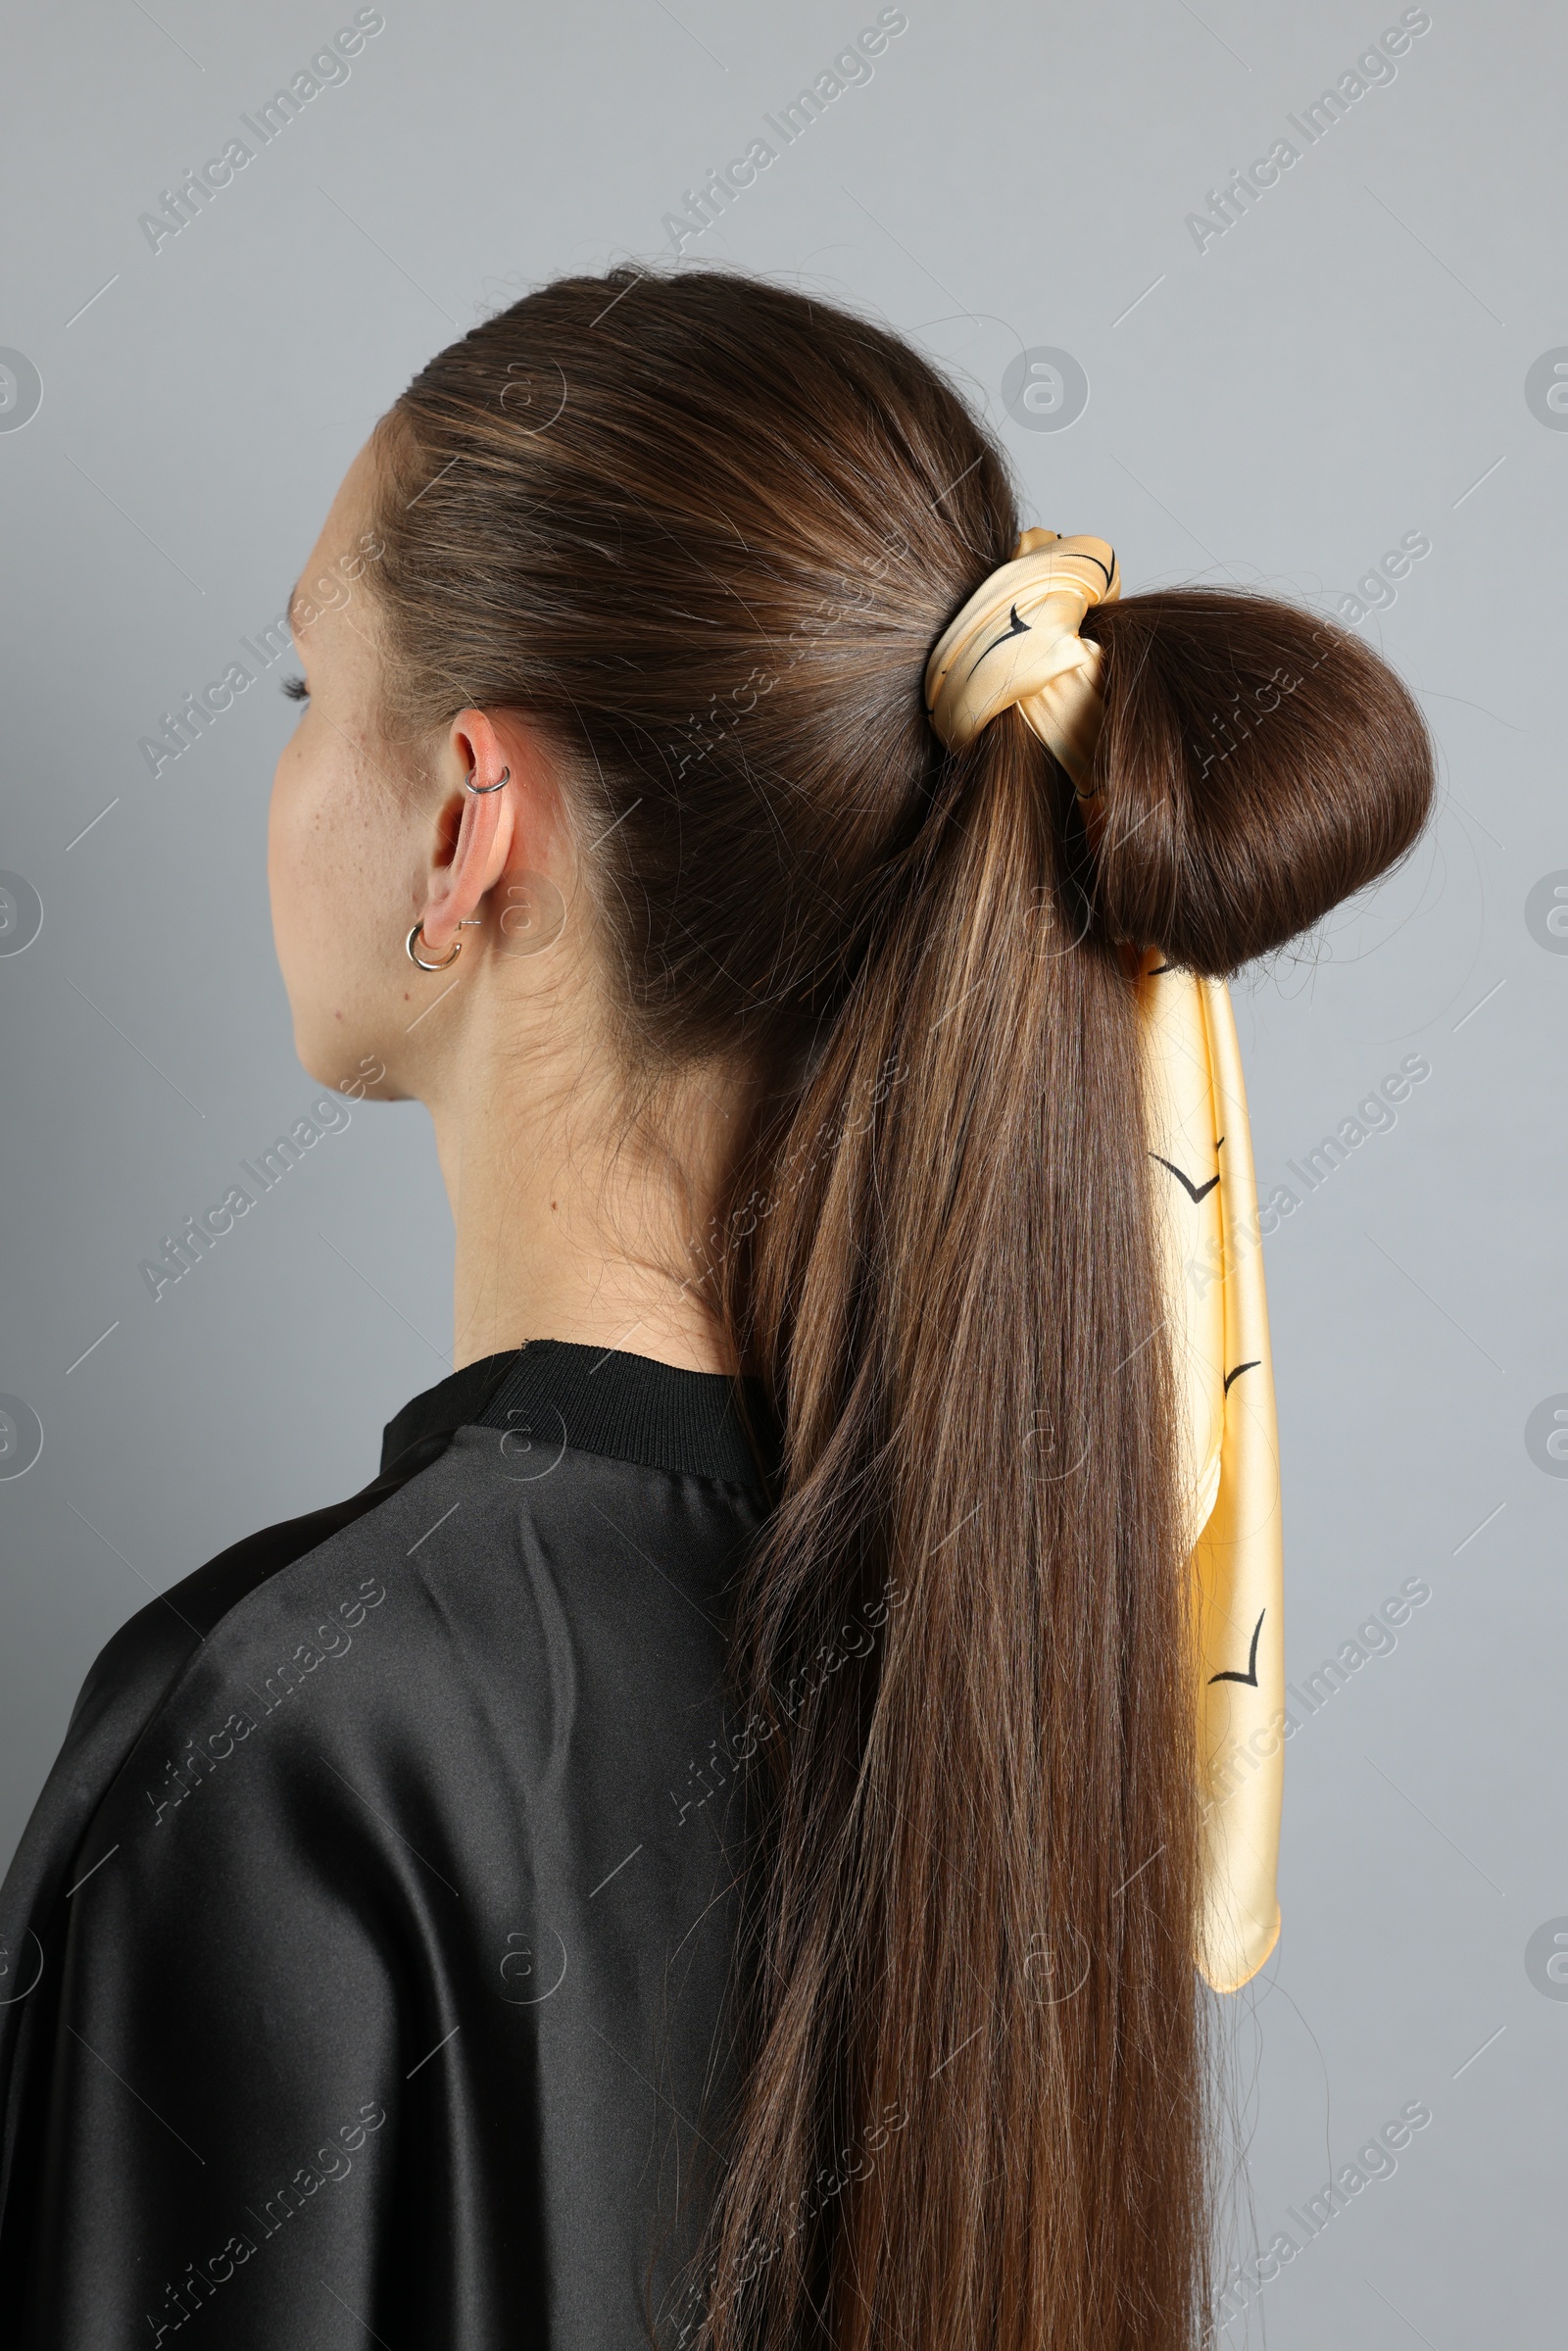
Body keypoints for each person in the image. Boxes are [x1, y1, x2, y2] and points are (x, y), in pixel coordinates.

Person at [0, 268, 1433, 2349]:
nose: (290, 767)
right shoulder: (1014, 1671)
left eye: (308, 691)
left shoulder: (292, 1738)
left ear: (464, 819)